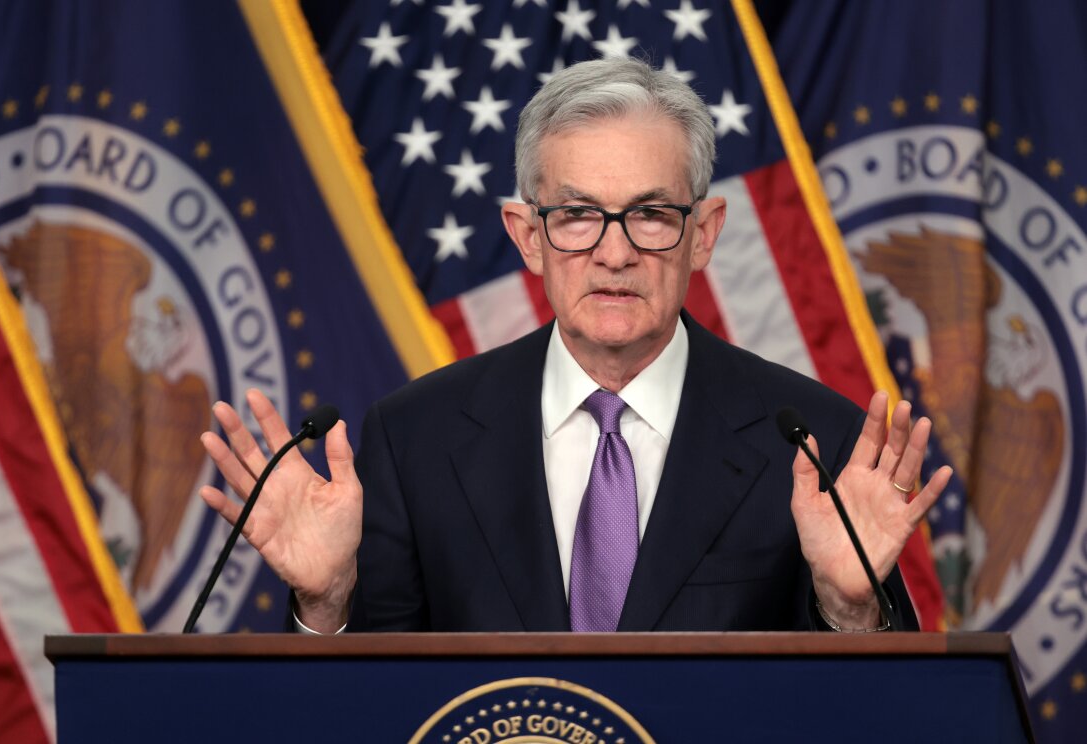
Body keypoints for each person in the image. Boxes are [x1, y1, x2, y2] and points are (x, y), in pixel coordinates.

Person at [199, 57, 951, 634]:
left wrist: (851, 609)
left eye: (651, 214)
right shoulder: (414, 439)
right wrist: (326, 605)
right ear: (528, 237)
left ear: (705, 234)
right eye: (578, 215)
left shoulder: (816, 441)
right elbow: (373, 711)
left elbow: (871, 715)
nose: (614, 253)